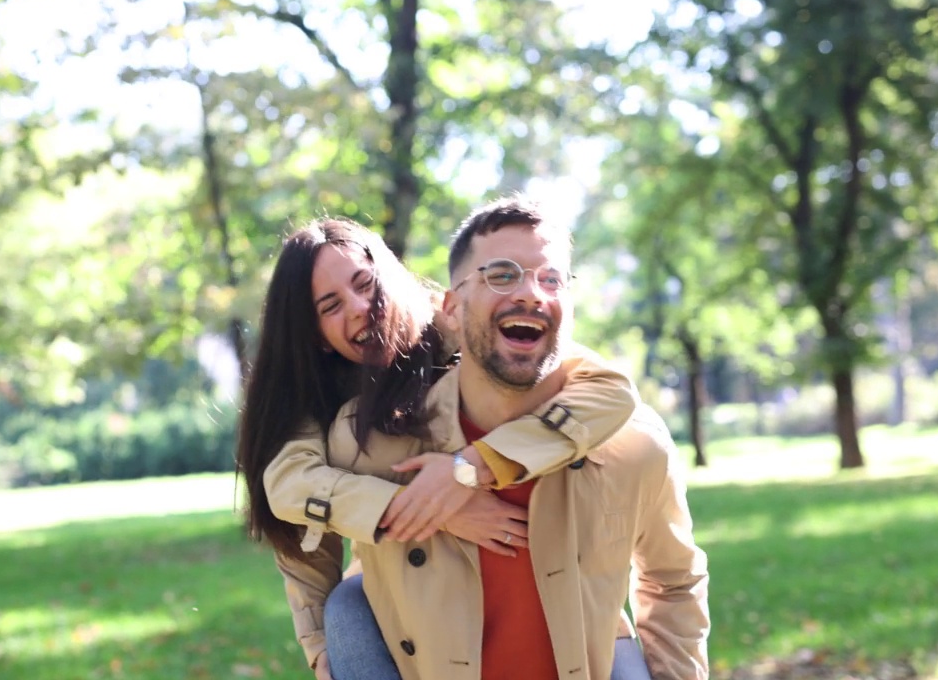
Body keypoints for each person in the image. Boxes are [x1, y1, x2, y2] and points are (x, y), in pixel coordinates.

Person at [300, 196, 710, 679]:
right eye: (502, 274)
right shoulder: (372, 439)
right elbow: (299, 522)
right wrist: (324, 648)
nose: (532, 293)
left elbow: (672, 583)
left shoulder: (634, 444)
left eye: (550, 278)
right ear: (451, 309)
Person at [236, 217, 643, 679]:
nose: (358, 308)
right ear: (312, 334)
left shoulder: (460, 321)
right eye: (330, 306)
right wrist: (427, 508)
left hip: (542, 581)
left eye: (365, 284)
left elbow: (607, 390)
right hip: (416, 598)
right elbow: (294, 501)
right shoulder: (316, 398)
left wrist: (471, 468)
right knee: (346, 610)